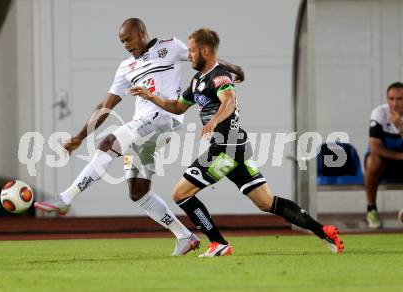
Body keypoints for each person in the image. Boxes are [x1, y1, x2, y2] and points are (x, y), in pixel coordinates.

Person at [34, 18, 244, 256]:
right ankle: (184, 236)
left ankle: (66, 198)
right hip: (144, 130)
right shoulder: (125, 68)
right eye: (122, 41)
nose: (126, 44)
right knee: (138, 193)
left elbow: (205, 60)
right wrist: (81, 136)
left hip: (162, 120)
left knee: (108, 143)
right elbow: (105, 105)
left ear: (142, 32)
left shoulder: (170, 46)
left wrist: (233, 69)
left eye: (129, 39)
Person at [130, 27, 344, 257]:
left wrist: (214, 120)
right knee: (266, 202)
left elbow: (229, 101)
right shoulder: (197, 81)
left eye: (192, 51)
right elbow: (177, 107)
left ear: (204, 50)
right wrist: (151, 96)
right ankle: (324, 231)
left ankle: (218, 243)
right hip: (235, 147)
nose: (188, 55)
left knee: (181, 194)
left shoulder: (219, 76)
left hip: (226, 147)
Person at [364, 82, 403, 229]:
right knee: (373, 161)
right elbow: (375, 148)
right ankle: (371, 209)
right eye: (391, 99)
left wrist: (400, 126)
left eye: (400, 99)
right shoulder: (379, 113)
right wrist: (400, 156)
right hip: (384, 162)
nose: (395, 103)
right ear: (387, 99)